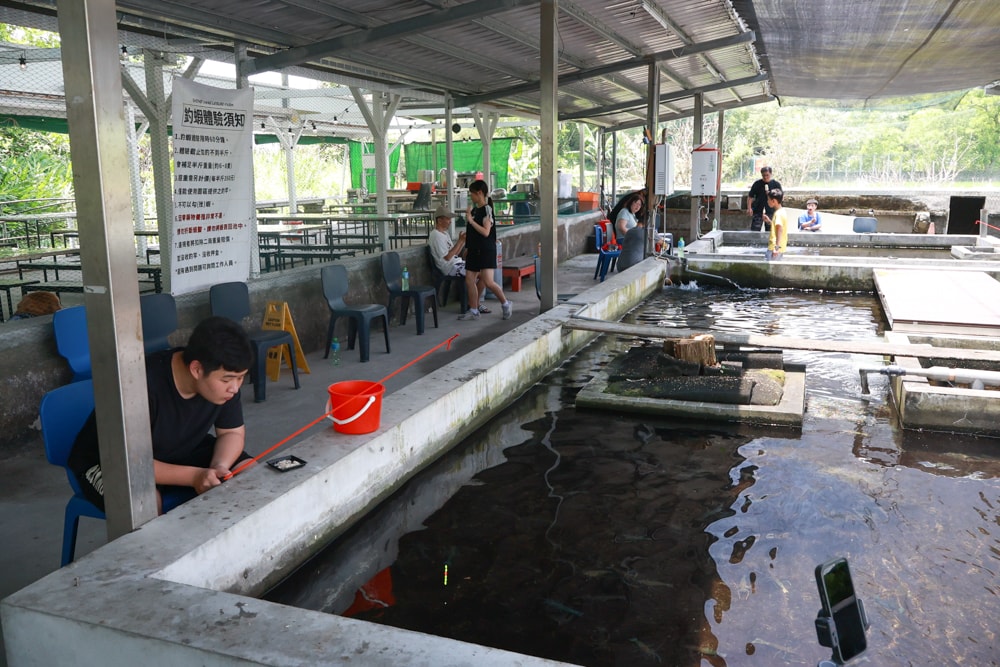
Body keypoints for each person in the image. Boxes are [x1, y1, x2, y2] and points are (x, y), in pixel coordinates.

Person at [68, 316, 255, 513]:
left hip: (180, 450)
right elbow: (134, 465)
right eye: (228, 380)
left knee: (252, 475)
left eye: (241, 378)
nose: (235, 388)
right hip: (112, 461)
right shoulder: (139, 386)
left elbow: (231, 434)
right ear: (197, 369)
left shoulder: (225, 384)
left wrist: (219, 467)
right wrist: (195, 476)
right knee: (143, 505)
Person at [457, 179, 512, 321]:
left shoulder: (487, 210)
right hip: (474, 250)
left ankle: (505, 303)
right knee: (470, 280)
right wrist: (467, 247)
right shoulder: (475, 210)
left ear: (480, 193)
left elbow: (486, 232)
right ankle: (474, 309)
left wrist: (471, 220)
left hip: (486, 250)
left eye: (472, 194)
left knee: (488, 282)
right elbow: (473, 232)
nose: (471, 197)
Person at [428, 204, 467, 277]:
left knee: (483, 273)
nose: (450, 222)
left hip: (456, 263)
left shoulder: (445, 234)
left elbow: (455, 254)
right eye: (448, 219)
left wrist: (462, 241)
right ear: (439, 221)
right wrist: (459, 242)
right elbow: (447, 257)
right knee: (479, 274)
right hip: (450, 268)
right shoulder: (436, 235)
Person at [746, 166, 782, 232]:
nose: (765, 177)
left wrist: (770, 194)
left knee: (770, 230)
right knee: (755, 230)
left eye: (767, 175)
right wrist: (749, 208)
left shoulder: (776, 184)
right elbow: (750, 196)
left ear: (771, 174)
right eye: (763, 175)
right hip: (758, 210)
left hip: (771, 211)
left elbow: (780, 198)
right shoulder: (757, 184)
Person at [766, 188, 788, 261]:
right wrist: (769, 221)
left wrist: (776, 247)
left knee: (770, 270)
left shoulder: (778, 214)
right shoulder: (781, 211)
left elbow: (779, 229)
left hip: (774, 247)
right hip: (779, 247)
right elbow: (777, 226)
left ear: (773, 201)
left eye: (768, 199)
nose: (767, 201)